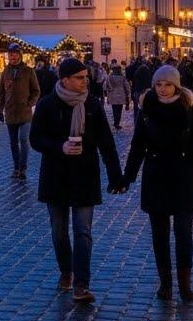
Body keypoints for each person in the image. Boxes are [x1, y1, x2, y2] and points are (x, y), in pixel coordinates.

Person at [30, 57, 124, 304]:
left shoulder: (92, 105)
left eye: (86, 77)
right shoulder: (47, 105)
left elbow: (106, 142)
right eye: (80, 78)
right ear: (65, 80)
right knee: (59, 232)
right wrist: (59, 146)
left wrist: (115, 175)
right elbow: (35, 139)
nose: (86, 81)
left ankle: (82, 284)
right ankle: (66, 271)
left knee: (83, 232)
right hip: (55, 176)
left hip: (84, 175)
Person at [117, 64, 193, 301]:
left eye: (167, 84)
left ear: (176, 85)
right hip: (156, 176)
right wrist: (128, 177)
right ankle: (165, 284)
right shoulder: (147, 108)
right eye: (158, 84)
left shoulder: (188, 108)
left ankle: (185, 284)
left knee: (183, 233)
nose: (163, 89)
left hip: (183, 177)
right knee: (159, 234)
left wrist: (190, 159)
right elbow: (138, 146)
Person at [0, 44, 40, 180]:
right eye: (10, 54)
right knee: (13, 142)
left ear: (20, 55)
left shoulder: (28, 71)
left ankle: (23, 168)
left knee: (23, 139)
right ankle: (16, 168)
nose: (13, 57)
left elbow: (36, 90)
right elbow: (1, 93)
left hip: (24, 112)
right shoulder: (5, 72)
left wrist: (30, 103)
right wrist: (0, 108)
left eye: (15, 54)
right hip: (10, 112)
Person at [105, 65, 130, 131]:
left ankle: (116, 122)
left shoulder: (110, 77)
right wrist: (128, 93)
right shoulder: (122, 77)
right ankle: (117, 123)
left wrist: (110, 89)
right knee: (119, 109)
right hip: (121, 94)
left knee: (114, 109)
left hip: (113, 94)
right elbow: (126, 86)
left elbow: (107, 85)